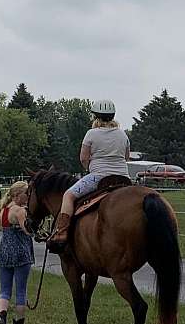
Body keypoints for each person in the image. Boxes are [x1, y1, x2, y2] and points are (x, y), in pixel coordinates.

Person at [49, 99, 130, 249]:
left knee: (68, 195)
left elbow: (83, 158)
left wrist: (89, 168)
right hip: (123, 178)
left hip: (99, 176)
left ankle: (61, 232)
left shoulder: (91, 133)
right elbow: (126, 157)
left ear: (95, 117)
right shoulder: (122, 134)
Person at [0, 181, 34, 324]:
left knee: (4, 291)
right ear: (18, 195)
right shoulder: (19, 211)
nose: (28, 197)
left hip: (4, 253)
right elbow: (28, 231)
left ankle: (1, 319)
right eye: (26, 193)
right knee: (21, 292)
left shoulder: (4, 210)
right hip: (20, 255)